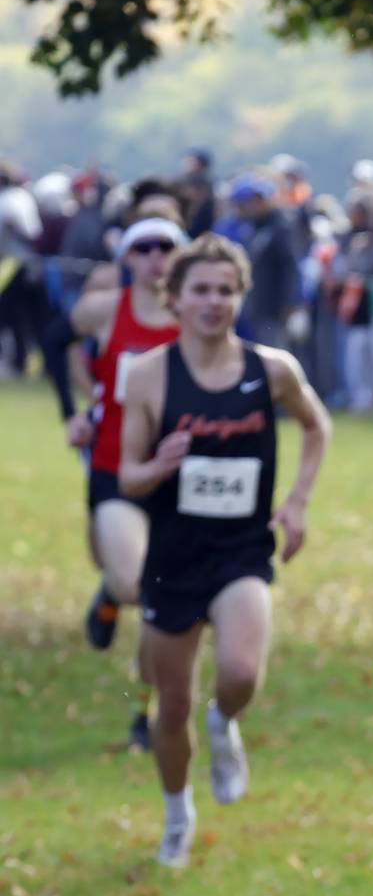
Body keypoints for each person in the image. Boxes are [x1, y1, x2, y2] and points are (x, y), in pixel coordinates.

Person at [118, 234, 330, 866]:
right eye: (200, 291)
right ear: (175, 299)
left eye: (225, 290)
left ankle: (225, 722)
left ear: (240, 296)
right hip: (174, 557)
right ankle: (177, 812)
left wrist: (295, 502)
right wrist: (156, 466)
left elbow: (316, 426)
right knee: (170, 702)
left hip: (241, 550)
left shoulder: (272, 369)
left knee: (239, 673)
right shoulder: (149, 374)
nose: (213, 302)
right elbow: (126, 474)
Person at [64, 216, 186, 747]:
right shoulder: (103, 310)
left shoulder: (197, 314)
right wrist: (76, 407)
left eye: (166, 247)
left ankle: (146, 713)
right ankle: (113, 592)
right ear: (128, 257)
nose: (155, 256)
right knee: (138, 582)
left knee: (167, 604)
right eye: (144, 247)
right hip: (116, 467)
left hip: (181, 480)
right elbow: (55, 339)